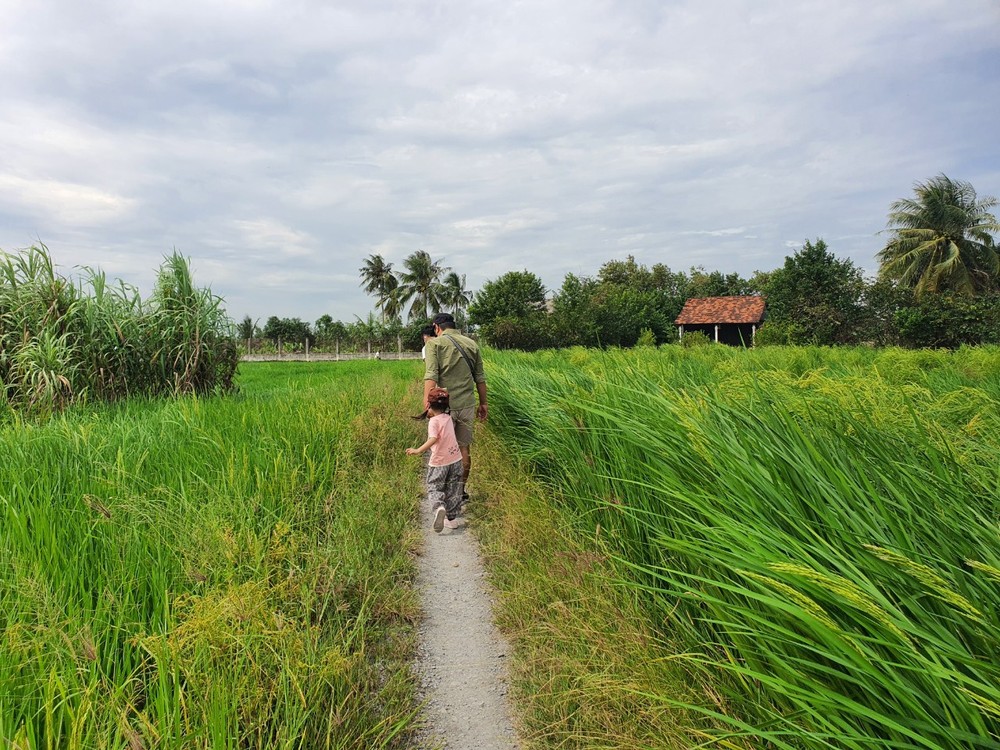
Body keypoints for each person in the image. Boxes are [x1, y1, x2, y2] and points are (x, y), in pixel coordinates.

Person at [423, 312, 486, 506]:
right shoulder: (471, 344)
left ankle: (442, 493)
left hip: (444, 407)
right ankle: (459, 491)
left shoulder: (434, 344)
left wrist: (427, 404)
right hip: (467, 404)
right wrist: (484, 403)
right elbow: (480, 377)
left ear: (437, 327)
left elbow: (431, 375)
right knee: (463, 448)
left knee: (442, 449)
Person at [406, 386, 463, 532]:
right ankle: (452, 519)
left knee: (434, 486)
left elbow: (433, 438)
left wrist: (418, 450)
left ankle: (439, 508)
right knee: (454, 488)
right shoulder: (448, 418)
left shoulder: (433, 422)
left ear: (429, 405)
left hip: (439, 462)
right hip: (456, 460)